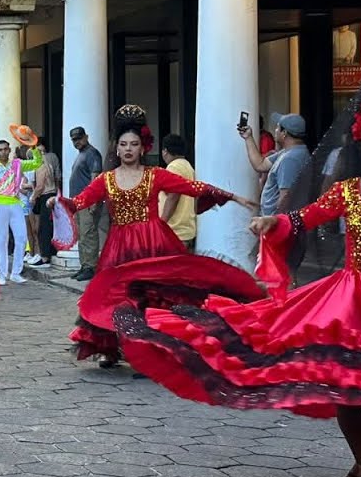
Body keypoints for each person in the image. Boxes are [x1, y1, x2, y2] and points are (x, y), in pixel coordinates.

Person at [114, 69, 361, 477]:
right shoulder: (349, 191)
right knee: (346, 385)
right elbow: (304, 218)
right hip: (353, 299)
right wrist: (274, 221)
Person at [53, 121, 258, 368]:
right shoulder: (106, 180)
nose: (129, 149)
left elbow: (191, 187)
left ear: (142, 149)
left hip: (153, 243)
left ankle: (154, 351)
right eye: (123, 144)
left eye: (134, 144)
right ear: (117, 149)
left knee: (153, 299)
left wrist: (233, 197)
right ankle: (109, 348)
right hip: (120, 247)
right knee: (114, 296)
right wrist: (58, 203)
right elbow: (81, 201)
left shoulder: (155, 175)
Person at [0, 139, 42, 285]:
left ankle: (16, 273)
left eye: (5, 149)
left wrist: (33, 148)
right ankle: (2, 274)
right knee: (1, 240)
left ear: (9, 150)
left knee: (21, 238)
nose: (3, 152)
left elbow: (37, 163)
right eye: (0, 150)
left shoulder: (17, 164)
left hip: (15, 203)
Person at [244, 113, 311, 216]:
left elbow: (285, 199)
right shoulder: (290, 152)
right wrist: (248, 137)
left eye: (277, 127)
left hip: (275, 223)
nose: (275, 130)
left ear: (284, 133)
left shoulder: (290, 159)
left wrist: (273, 222)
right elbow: (260, 165)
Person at [69, 126, 105, 281]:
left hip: (87, 202)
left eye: (79, 138)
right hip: (78, 202)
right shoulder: (82, 154)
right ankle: (84, 265)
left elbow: (96, 178)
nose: (77, 142)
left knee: (88, 234)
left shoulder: (92, 153)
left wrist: (93, 201)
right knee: (82, 236)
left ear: (86, 137)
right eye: (74, 140)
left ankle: (90, 267)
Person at [158, 134, 197, 249]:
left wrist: (161, 224)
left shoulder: (174, 167)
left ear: (165, 151)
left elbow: (173, 196)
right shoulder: (188, 166)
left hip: (174, 230)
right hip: (184, 229)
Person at [28, 145, 57, 268]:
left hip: (45, 195)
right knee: (47, 227)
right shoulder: (47, 164)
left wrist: (33, 197)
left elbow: (40, 186)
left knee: (43, 228)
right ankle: (47, 253)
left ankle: (45, 257)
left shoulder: (41, 165)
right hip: (49, 194)